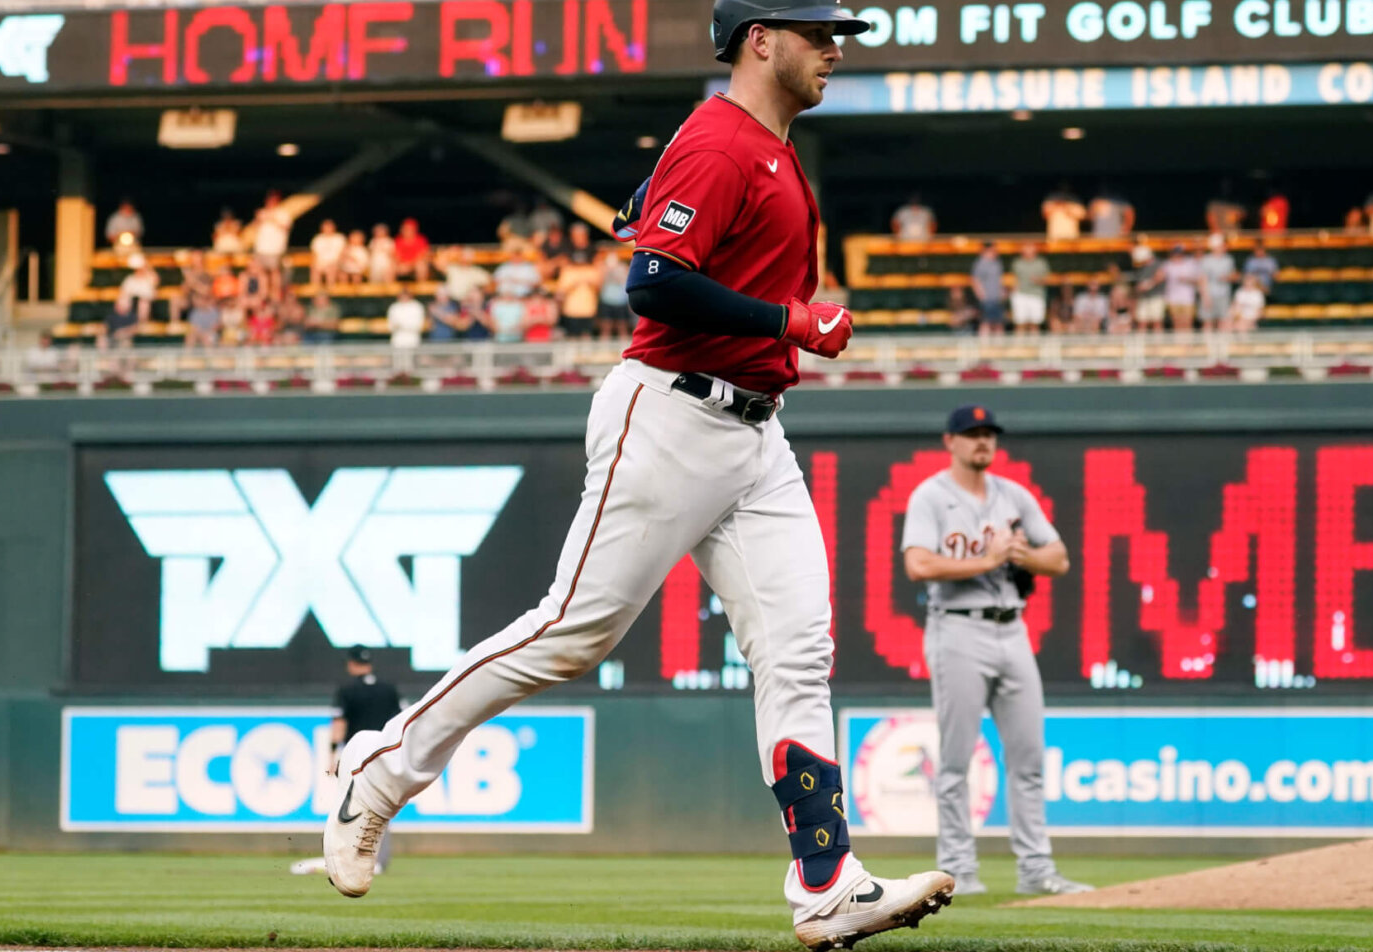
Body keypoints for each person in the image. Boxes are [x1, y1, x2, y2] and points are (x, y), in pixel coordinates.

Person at [320, 5, 955, 950]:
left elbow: (664, 231)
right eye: (817, 31)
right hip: (670, 413)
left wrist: (672, 215)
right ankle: (378, 771)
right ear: (758, 39)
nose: (835, 47)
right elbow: (652, 282)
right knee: (573, 633)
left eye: (839, 33)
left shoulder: (762, 147)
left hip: (754, 433)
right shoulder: (724, 140)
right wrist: (788, 322)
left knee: (799, 652)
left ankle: (827, 881)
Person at [900, 406, 1091, 899]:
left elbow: (1061, 558)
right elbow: (917, 565)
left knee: (1028, 759)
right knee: (956, 761)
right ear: (950, 441)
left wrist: (1021, 555)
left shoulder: (1013, 495)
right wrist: (988, 558)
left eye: (988, 435)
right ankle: (958, 871)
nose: (982, 442)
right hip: (957, 631)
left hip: (1012, 629)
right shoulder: (931, 496)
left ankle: (1037, 871)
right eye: (972, 434)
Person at [294, 648, 403, 878]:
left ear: (352, 664)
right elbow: (401, 721)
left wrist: (333, 754)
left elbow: (339, 723)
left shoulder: (347, 690)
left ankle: (355, 856)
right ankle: (378, 858)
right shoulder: (389, 689)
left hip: (359, 756)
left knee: (352, 805)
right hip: (385, 754)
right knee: (382, 806)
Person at [1197, 234, 1236, 332]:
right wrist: (1205, 297)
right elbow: (1202, 279)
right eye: (1222, 245)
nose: (1224, 247)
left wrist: (1228, 277)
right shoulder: (1206, 260)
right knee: (1208, 322)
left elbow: (1234, 276)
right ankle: (1208, 345)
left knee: (1224, 321)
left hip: (1224, 295)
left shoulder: (1229, 259)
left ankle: (1222, 346)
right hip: (1210, 294)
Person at [1008, 243, 1049, 336]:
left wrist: (1038, 280)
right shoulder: (1017, 263)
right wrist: (1013, 288)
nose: (1028, 249)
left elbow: (1047, 280)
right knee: (1020, 323)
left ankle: (1035, 347)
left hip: (1036, 295)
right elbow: (1012, 279)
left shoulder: (1041, 263)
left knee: (1035, 324)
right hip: (1020, 295)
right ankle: (1019, 348)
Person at [252, 191, 293, 277]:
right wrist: (259, 219)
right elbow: (254, 227)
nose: (270, 202)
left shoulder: (283, 213)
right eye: (269, 200)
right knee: (261, 271)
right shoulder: (262, 212)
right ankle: (265, 290)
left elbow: (286, 227)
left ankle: (275, 290)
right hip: (261, 248)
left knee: (275, 271)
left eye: (273, 200)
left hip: (275, 248)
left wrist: (272, 218)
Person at [1162, 243, 1201, 332]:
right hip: (1173, 298)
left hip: (1188, 298)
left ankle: (1187, 344)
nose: (1177, 255)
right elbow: (1160, 277)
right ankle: (1179, 344)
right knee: (1176, 322)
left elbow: (1198, 280)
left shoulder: (1190, 264)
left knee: (1188, 322)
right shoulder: (1167, 265)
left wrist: (1187, 279)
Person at [969, 245, 1006, 336]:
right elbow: (975, 280)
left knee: (998, 322)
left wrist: (1002, 291)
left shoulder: (997, 263)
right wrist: (981, 295)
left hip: (997, 297)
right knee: (986, 322)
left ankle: (999, 346)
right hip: (986, 298)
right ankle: (984, 347)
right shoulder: (980, 264)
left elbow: (1000, 280)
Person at [597, 248, 633, 339]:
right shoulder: (603, 269)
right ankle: (603, 350)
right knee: (606, 328)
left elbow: (625, 282)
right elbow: (599, 284)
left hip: (620, 301)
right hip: (607, 300)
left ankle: (624, 349)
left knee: (622, 327)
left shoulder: (623, 268)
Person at [1131, 240, 1165, 332]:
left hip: (1156, 296)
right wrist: (1139, 288)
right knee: (1142, 322)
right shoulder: (1141, 267)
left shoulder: (1157, 263)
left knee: (1157, 322)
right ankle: (1141, 344)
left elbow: (1160, 276)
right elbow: (1138, 283)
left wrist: (1148, 285)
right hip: (1143, 297)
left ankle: (1158, 345)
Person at [310, 220, 347, 288]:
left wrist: (338, 262)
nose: (328, 229)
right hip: (321, 262)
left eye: (329, 227)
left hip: (335, 262)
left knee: (331, 268)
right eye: (326, 227)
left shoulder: (339, 238)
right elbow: (314, 253)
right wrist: (315, 263)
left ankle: (330, 289)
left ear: (334, 228)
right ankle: (315, 290)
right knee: (315, 268)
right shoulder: (318, 238)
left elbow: (343, 252)